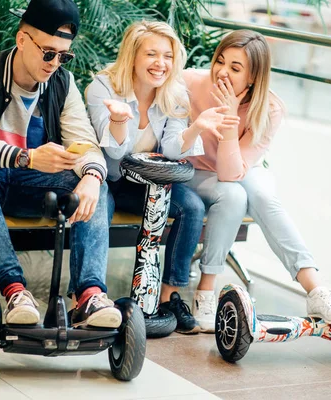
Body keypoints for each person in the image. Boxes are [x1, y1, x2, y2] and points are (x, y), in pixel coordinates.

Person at [0, 0, 122, 328]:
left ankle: (89, 295)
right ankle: (14, 290)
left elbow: (83, 141)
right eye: (48, 53)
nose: (55, 63)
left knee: (96, 189)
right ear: (22, 40)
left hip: (27, 184)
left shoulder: (62, 84)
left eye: (64, 55)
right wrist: (25, 156)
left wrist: (92, 176)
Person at [182, 30, 331, 332]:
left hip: (238, 167)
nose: (222, 71)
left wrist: (231, 115)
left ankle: (315, 288)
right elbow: (222, 178)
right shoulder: (190, 83)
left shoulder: (269, 109)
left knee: (262, 195)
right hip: (194, 171)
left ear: (253, 78)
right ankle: (206, 290)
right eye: (220, 61)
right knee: (233, 195)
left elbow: (231, 171)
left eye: (235, 68)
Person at [85, 21, 239, 334]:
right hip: (105, 174)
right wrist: (118, 119)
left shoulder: (174, 93)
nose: (161, 64)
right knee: (100, 209)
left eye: (168, 56)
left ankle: (170, 296)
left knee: (192, 207)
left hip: (146, 181)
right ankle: (93, 297)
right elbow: (114, 153)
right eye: (152, 54)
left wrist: (195, 127)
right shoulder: (103, 87)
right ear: (132, 56)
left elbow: (170, 149)